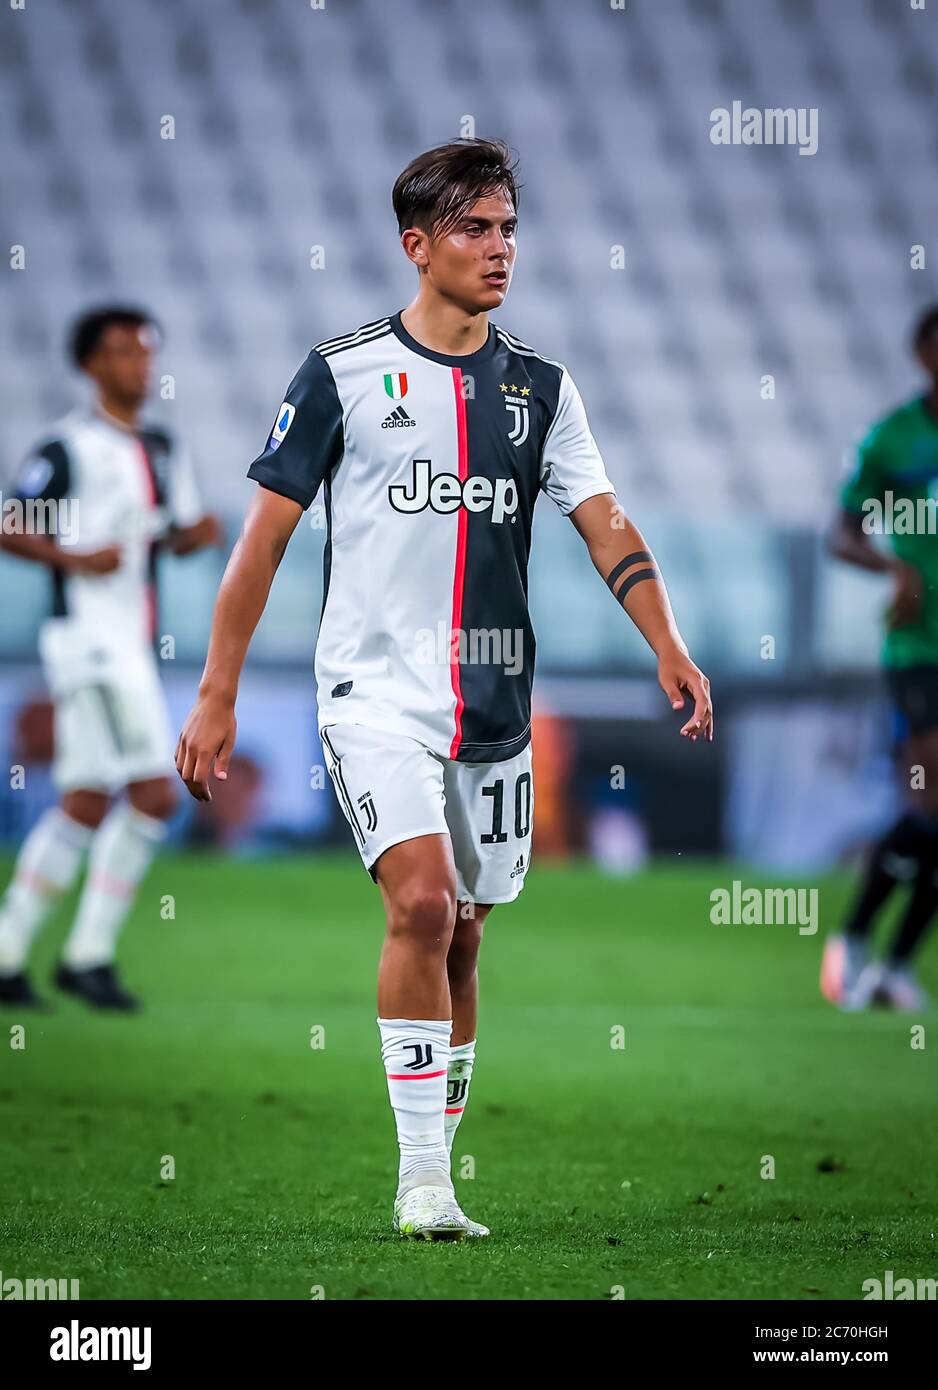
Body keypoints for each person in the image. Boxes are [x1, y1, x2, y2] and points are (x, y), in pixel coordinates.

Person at [175, 139, 712, 1238]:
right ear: (415, 245)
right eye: (474, 228)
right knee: (419, 903)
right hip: (370, 696)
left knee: (464, 935)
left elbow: (603, 521)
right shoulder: (338, 376)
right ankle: (422, 1181)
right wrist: (216, 692)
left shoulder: (541, 391)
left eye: (508, 226)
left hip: (494, 708)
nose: (499, 247)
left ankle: (438, 1161)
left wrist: (664, 638)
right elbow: (260, 546)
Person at [0, 306, 219, 1010]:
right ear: (92, 363)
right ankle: (87, 954)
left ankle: (10, 953)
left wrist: (198, 535)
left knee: (87, 801)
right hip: (88, 640)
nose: (140, 366)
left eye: (146, 352)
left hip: (131, 642)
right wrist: (73, 556)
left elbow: (174, 535)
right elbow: (11, 524)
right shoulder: (67, 448)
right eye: (124, 352)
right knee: (155, 793)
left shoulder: (161, 446)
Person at [823, 305, 938, 1011]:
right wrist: (892, 568)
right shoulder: (894, 441)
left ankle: (889, 964)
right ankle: (858, 944)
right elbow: (840, 533)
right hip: (920, 647)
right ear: (922, 353)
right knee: (931, 798)